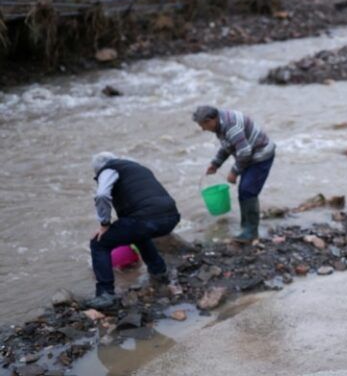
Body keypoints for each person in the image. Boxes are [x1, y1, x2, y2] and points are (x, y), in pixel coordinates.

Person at [87, 152, 181, 309]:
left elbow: (102, 195)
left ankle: (105, 294)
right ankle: (159, 272)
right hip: (171, 217)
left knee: (99, 242)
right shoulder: (136, 167)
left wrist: (104, 224)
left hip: (146, 219)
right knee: (138, 233)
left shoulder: (108, 169)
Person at [192, 106, 276, 241]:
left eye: (203, 125)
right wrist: (216, 164)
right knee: (244, 190)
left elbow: (244, 152)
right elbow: (228, 146)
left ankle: (251, 232)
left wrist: (234, 172)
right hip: (250, 155)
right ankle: (246, 227)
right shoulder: (220, 123)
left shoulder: (231, 126)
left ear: (210, 120)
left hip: (261, 154)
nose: (202, 129)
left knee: (247, 190)